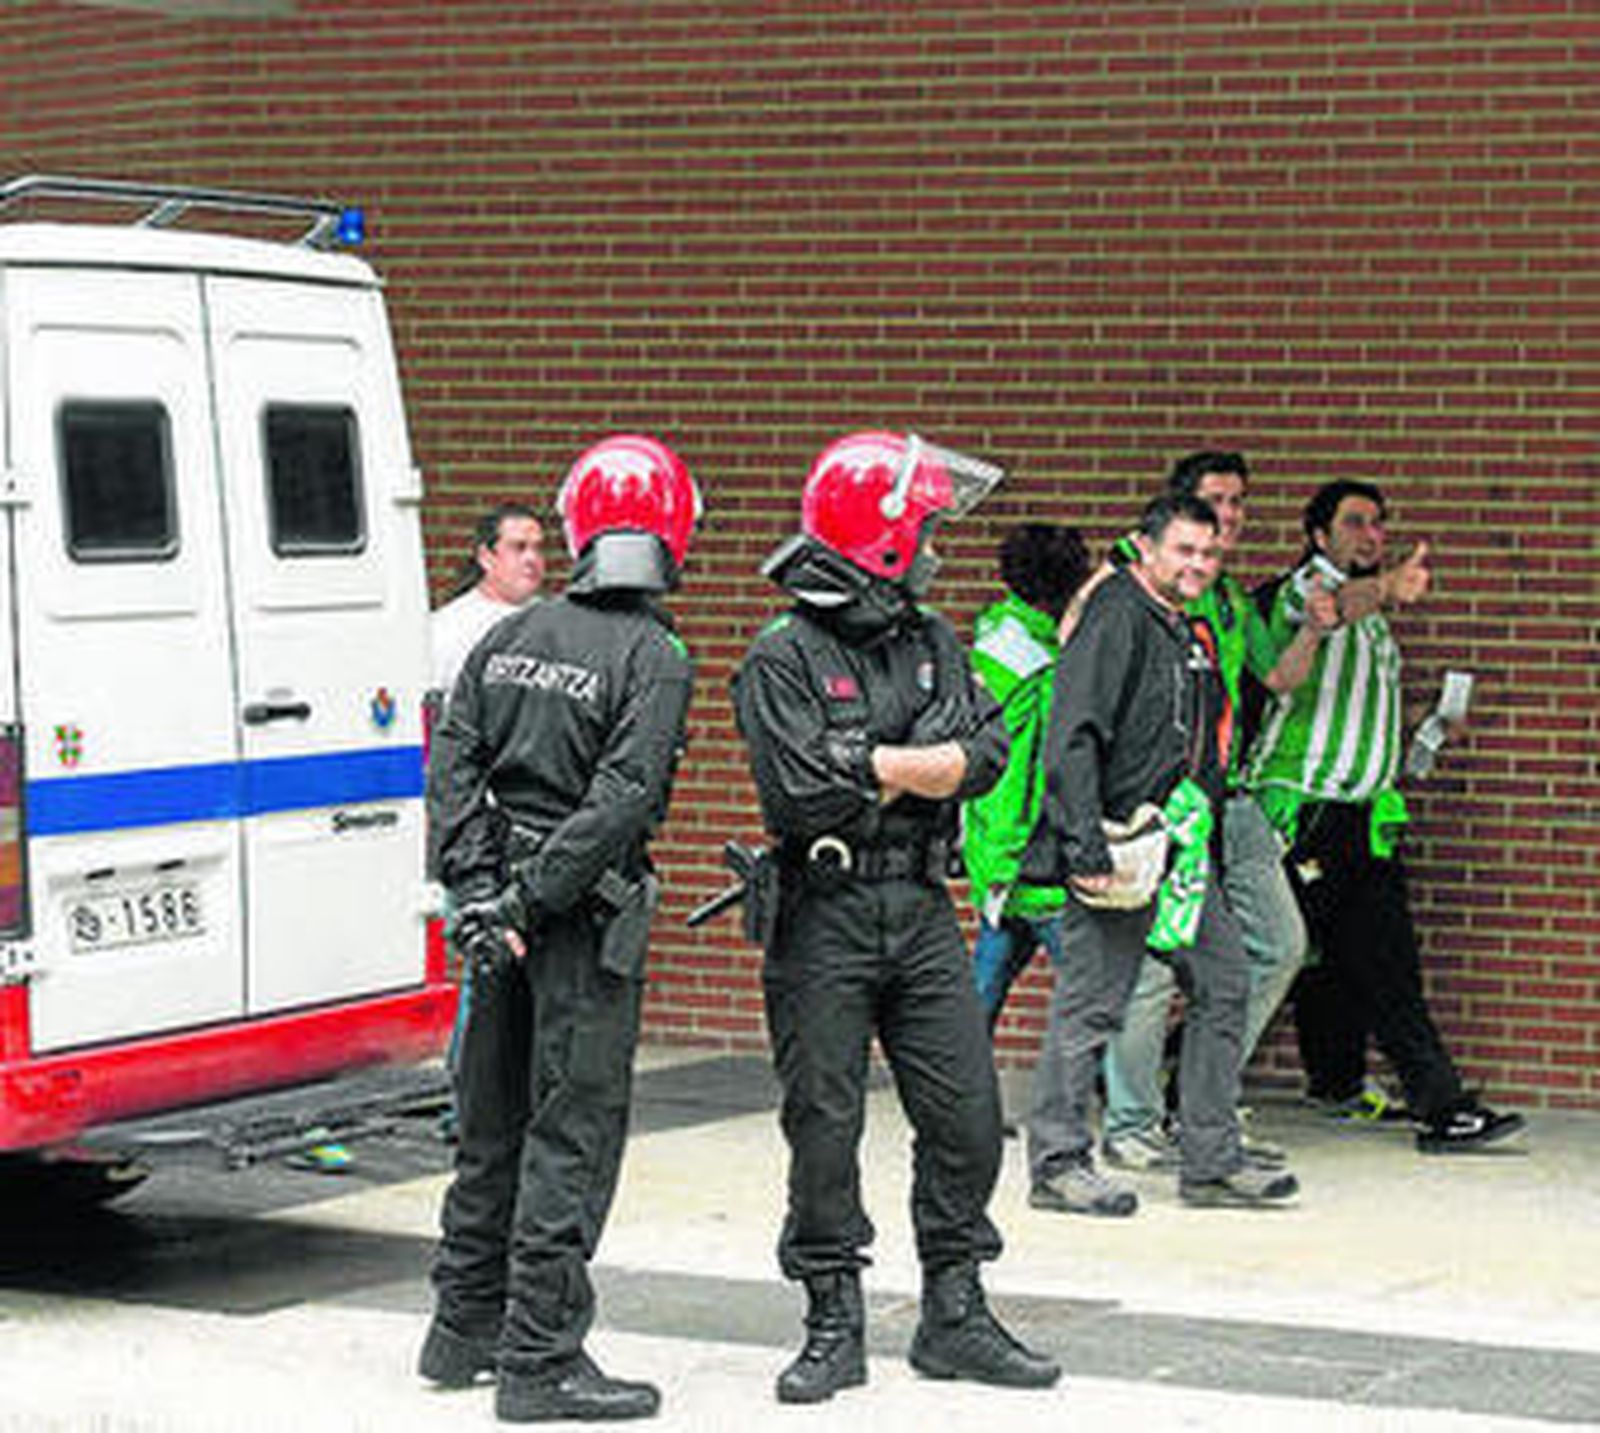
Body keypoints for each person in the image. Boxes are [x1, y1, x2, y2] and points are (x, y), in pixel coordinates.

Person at [733, 431, 1060, 1405]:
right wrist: (918, 762)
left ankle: (953, 1312)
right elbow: (801, 797)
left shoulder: (935, 639)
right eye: (919, 529)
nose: (933, 547)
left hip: (919, 905)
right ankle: (832, 1319)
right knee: (823, 1125)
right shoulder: (781, 653)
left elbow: (988, 752)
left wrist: (868, 759)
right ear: (875, 541)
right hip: (821, 910)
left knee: (965, 1116)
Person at [420, 434, 701, 1424]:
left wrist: (480, 887)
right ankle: (540, 1357)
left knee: (490, 1118)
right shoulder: (656, 656)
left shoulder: (514, 631)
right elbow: (623, 801)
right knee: (569, 1134)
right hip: (575, 920)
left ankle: (461, 1326)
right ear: (674, 534)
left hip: (501, 909)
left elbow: (451, 755)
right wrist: (530, 898)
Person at [1019, 493, 1301, 1216]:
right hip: (1115, 849)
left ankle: (1210, 1159)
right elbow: (1073, 732)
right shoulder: (1116, 614)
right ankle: (1056, 1163)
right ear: (1145, 548)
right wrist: (1083, 843)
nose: (1200, 565)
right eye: (1185, 550)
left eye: (1210, 553)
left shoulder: (1185, 627)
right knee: (1091, 1004)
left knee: (1226, 978)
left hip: (1175, 852)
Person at [1246, 479, 1525, 1154]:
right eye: (1355, 523)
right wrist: (1389, 586)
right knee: (1277, 961)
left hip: (1362, 815)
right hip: (1305, 808)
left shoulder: (1375, 618)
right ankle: (1165, 1084)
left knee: (1355, 960)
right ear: (1318, 535)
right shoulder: (1296, 592)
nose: (1371, 534)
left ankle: (1392, 1093)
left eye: (1378, 524)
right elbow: (1328, 608)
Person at [1099, 452, 1328, 1172]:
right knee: (1153, 968)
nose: (1230, 516)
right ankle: (1133, 1123)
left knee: (1279, 944)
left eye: (1239, 504)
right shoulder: (1131, 582)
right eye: (1217, 501)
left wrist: (1316, 628)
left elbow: (1278, 675)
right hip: (1158, 801)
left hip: (1226, 797)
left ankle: (1201, 1102)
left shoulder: (1227, 597)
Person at [963, 523, 1092, 1029]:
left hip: (995, 852)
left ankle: (957, 1090)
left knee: (986, 982)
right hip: (1035, 857)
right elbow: (1037, 768)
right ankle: (1124, 1103)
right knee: (1095, 995)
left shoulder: (994, 636)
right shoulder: (1045, 662)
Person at [431, 503, 546, 696]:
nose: (532, 558)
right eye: (519, 547)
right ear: (486, 557)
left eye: (538, 548)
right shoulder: (448, 627)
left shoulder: (555, 618)